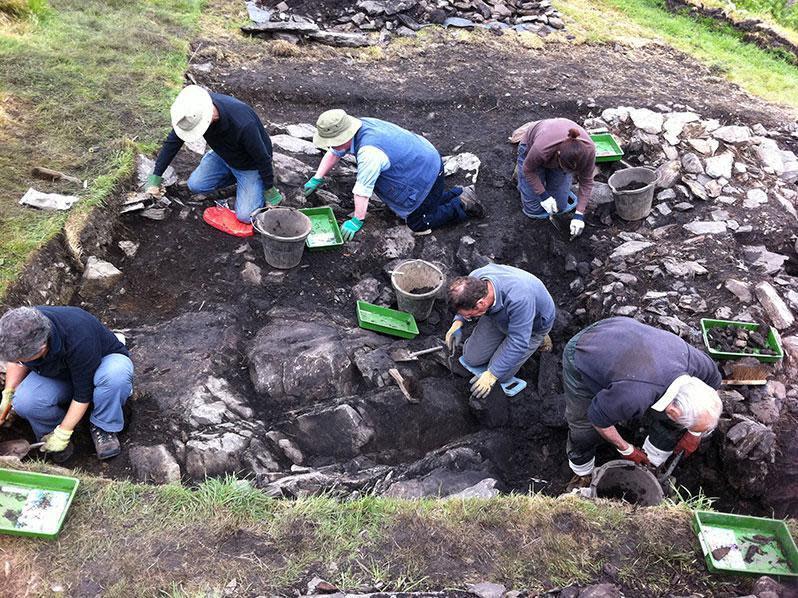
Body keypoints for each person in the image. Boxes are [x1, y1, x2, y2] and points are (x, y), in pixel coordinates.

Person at [562, 317, 723, 491]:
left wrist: (694, 434)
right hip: (587, 347)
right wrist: (626, 449)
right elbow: (597, 419)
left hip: (633, 346)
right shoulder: (633, 395)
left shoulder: (704, 368)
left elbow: (712, 390)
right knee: (584, 429)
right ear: (674, 410)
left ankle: (652, 461)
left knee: (672, 424)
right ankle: (583, 473)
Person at [304, 109, 484, 239]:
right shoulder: (358, 126)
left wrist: (357, 220)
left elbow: (362, 190)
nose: (330, 145)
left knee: (418, 224)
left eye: (332, 141)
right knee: (425, 204)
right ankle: (456, 193)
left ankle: (462, 202)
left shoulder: (369, 153)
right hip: (424, 158)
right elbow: (336, 151)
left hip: (424, 173)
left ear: (343, 136)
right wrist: (317, 178)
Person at [0, 306, 134, 461]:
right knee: (25, 400)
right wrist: (8, 394)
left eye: (23, 359)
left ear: (42, 348)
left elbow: (83, 393)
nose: (19, 362)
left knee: (116, 376)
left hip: (100, 366)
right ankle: (51, 435)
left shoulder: (79, 336)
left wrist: (64, 431)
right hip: (60, 373)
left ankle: (103, 425)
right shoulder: (18, 328)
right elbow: (18, 363)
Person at [145, 85, 283, 234]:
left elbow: (262, 157)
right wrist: (156, 176)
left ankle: (254, 183)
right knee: (195, 185)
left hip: (250, 165)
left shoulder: (243, 123)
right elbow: (172, 143)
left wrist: (269, 188)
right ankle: (239, 183)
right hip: (223, 155)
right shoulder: (194, 110)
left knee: (245, 216)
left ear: (205, 122)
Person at [445, 264, 555, 399]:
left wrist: (492, 374)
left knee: (500, 377)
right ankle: (504, 340)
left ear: (480, 304)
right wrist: (458, 321)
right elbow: (463, 305)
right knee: (471, 358)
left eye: (468, 315)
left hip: (533, 325)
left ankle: (541, 338)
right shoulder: (474, 280)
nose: (467, 317)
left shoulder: (519, 299)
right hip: (498, 316)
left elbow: (518, 342)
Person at [517, 118, 596, 237]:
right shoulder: (541, 148)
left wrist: (579, 214)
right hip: (531, 149)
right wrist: (544, 196)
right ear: (558, 155)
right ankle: (521, 176)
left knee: (559, 207)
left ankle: (549, 176)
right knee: (534, 210)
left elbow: (587, 183)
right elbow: (528, 170)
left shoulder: (588, 152)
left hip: (559, 160)